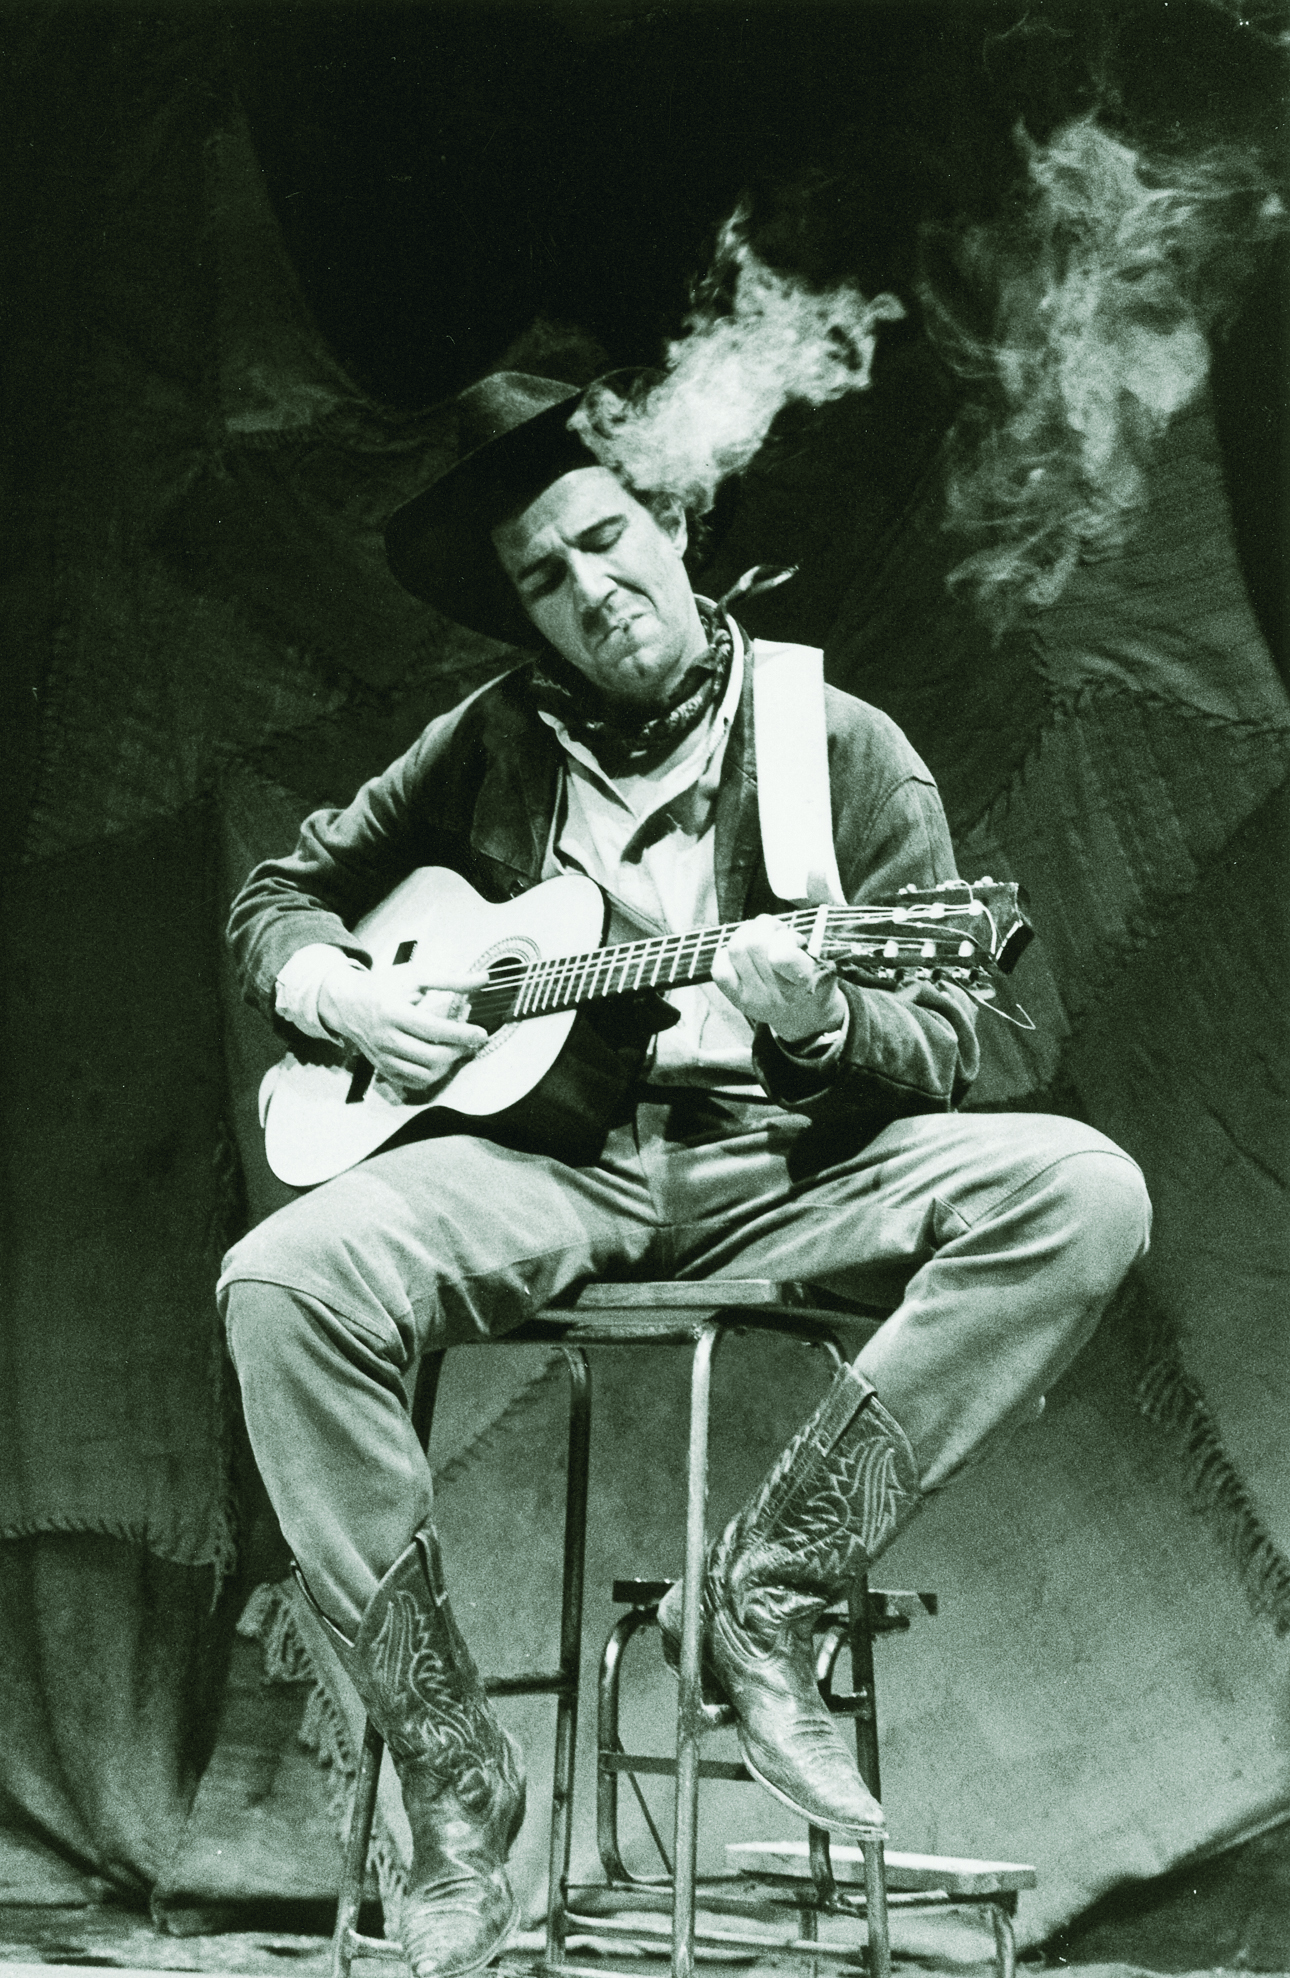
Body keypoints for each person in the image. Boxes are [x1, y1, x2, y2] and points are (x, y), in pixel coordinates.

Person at [219, 371, 1151, 1978]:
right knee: (280, 1280)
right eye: (543, 577)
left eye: (605, 539)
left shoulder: (834, 741)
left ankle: (766, 1592)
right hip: (553, 1167)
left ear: (673, 520)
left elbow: (946, 1042)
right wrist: (339, 994)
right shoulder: (488, 740)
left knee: (1084, 1190)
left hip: (782, 1164)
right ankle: (453, 1782)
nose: (589, 590)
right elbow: (281, 894)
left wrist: (820, 1014)